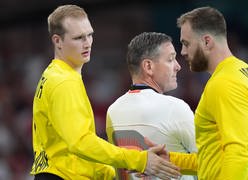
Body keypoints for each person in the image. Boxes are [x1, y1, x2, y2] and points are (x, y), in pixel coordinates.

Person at [30, 5, 180, 180]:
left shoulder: (54, 74)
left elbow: (74, 149)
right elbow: (81, 143)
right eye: (78, 38)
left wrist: (117, 173)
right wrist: (140, 160)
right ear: (57, 41)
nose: (87, 43)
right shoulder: (64, 82)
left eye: (90, 34)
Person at [168, 6, 248, 179]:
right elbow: (215, 159)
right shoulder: (243, 71)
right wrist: (169, 160)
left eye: (186, 44)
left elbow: (239, 153)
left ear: (207, 41)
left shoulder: (224, 82)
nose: (182, 52)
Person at [106, 32, 197, 179]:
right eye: (171, 59)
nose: (178, 66)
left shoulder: (113, 110)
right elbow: (211, 162)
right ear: (148, 66)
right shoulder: (174, 107)